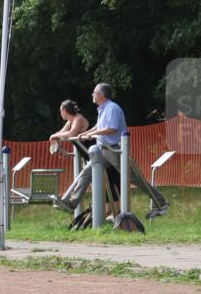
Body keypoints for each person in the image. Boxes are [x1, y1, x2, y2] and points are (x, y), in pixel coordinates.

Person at [54, 83, 169, 219]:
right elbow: (99, 126)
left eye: (94, 92)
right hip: (102, 150)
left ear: (101, 95)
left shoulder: (112, 108)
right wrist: (86, 133)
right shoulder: (102, 109)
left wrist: (92, 134)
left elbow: (112, 128)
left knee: (134, 178)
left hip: (114, 149)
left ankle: (161, 202)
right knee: (86, 172)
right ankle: (72, 203)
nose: (92, 95)